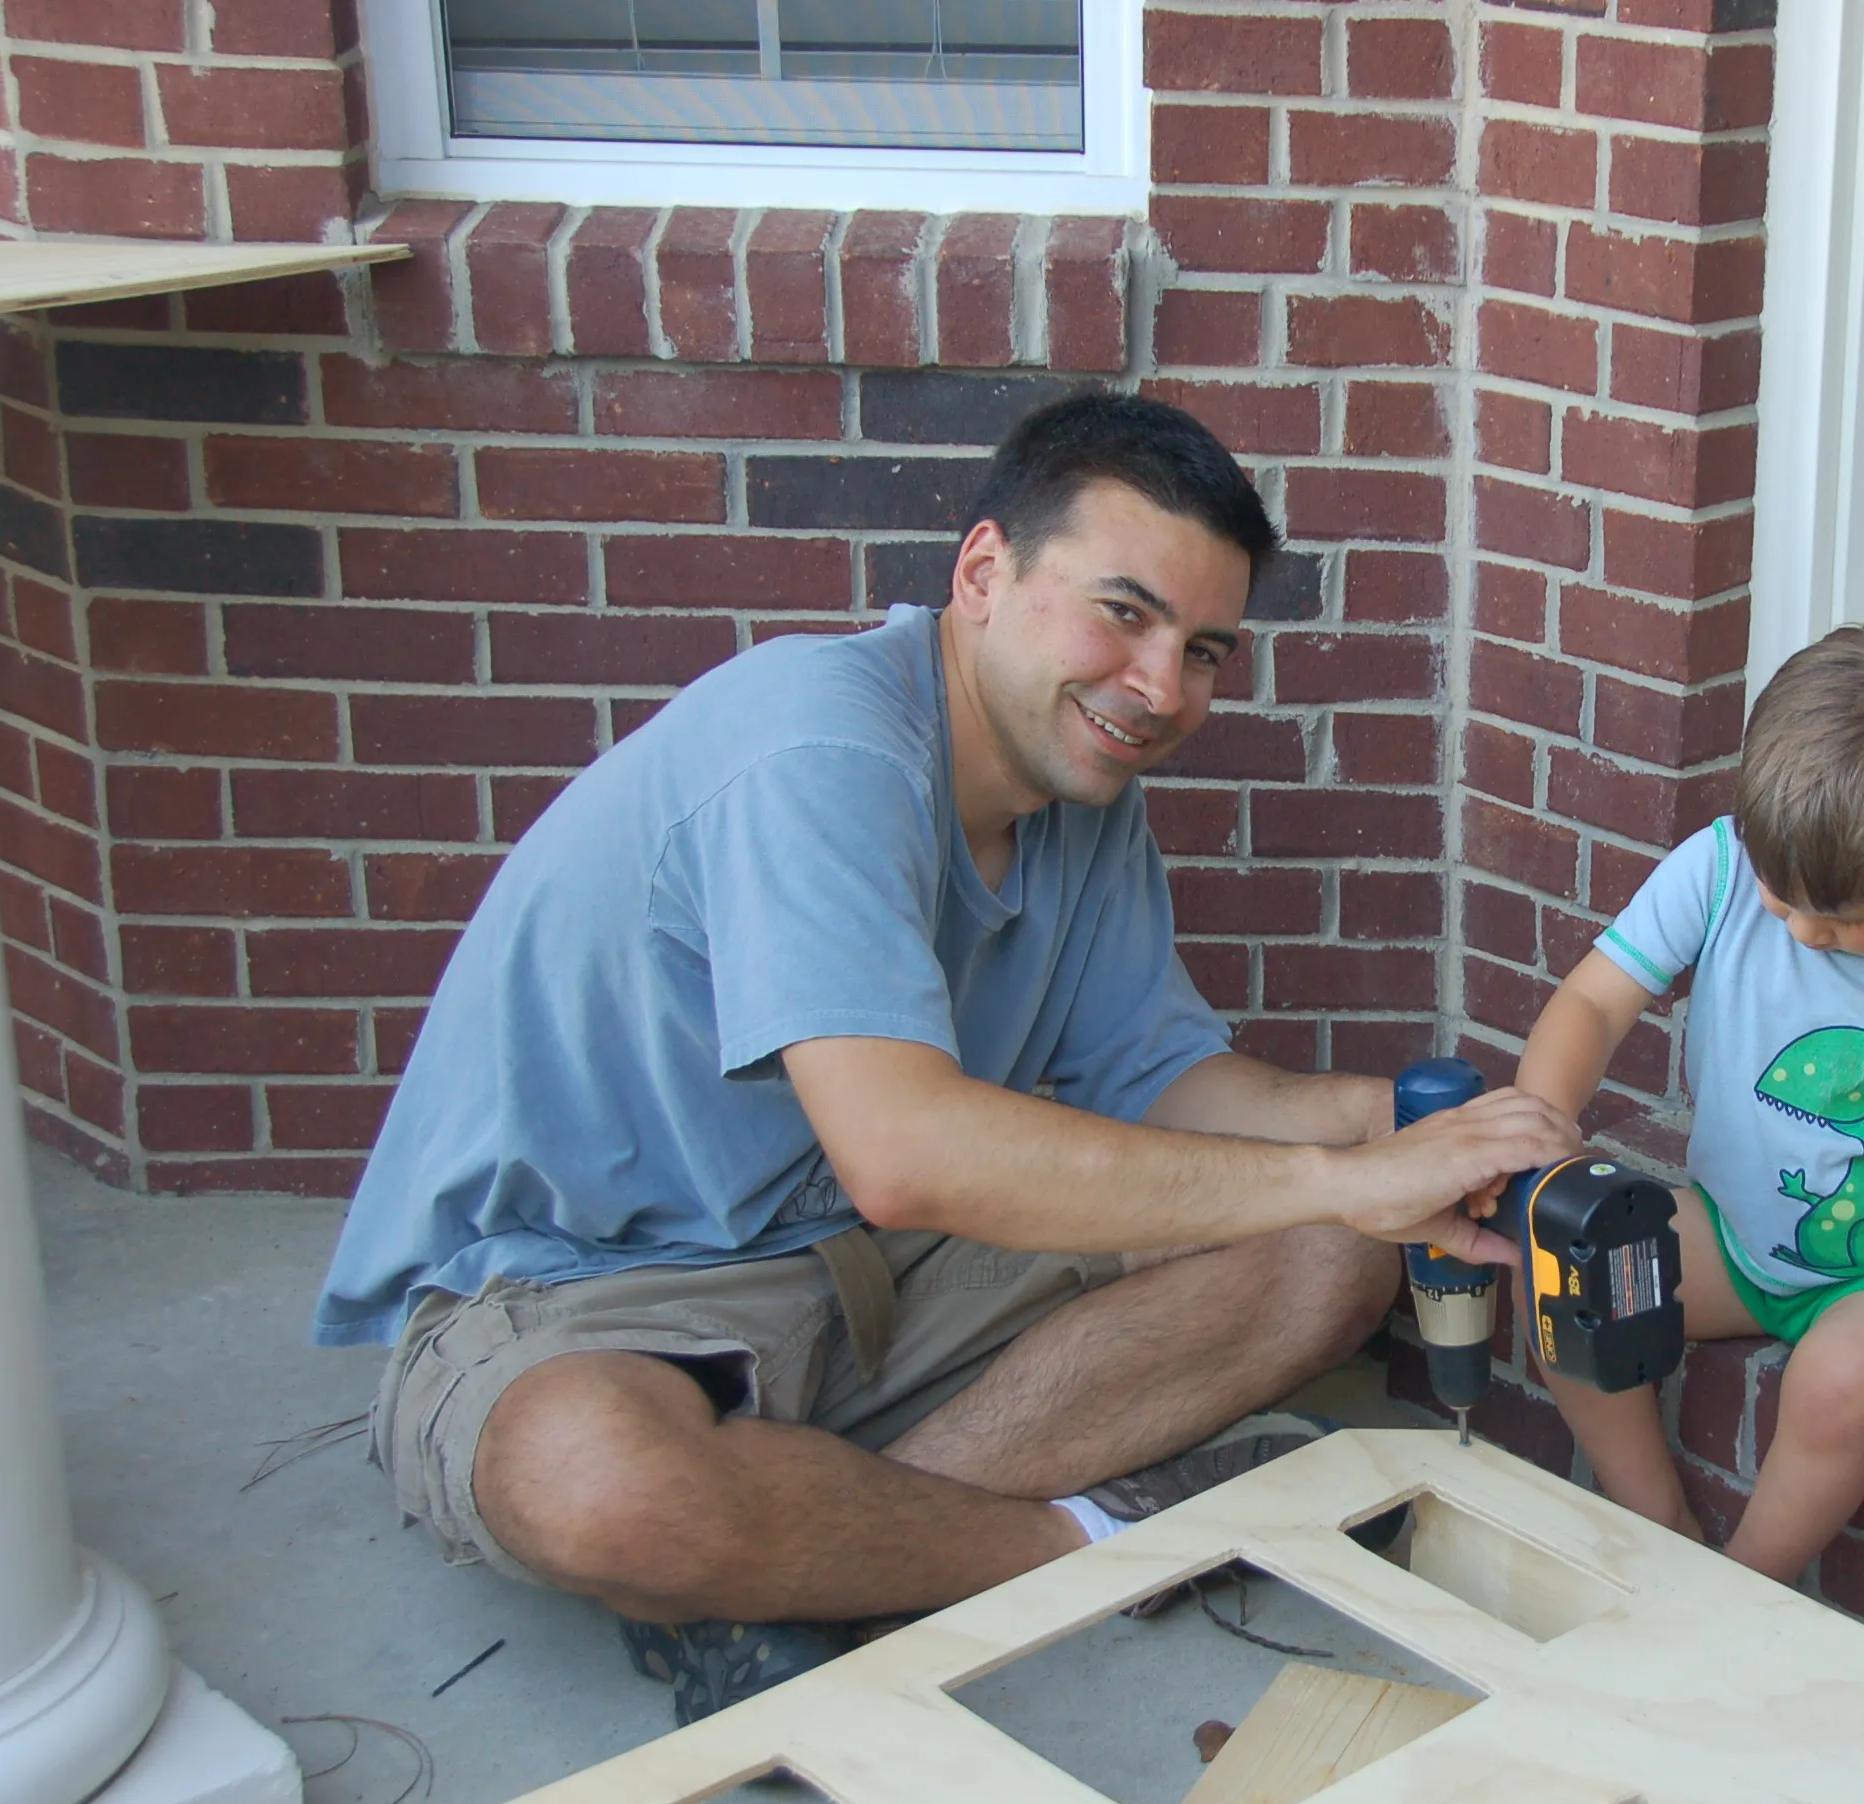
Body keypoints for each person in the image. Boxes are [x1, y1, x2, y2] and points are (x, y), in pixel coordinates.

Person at [315, 392, 1579, 1720]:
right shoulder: (822, 747)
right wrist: (1334, 1177)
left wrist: (1409, 1132)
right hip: (594, 1292)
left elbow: (1162, 1080)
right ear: (983, 574)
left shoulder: (1077, 796)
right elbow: (908, 1158)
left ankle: (808, 1566)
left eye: (1205, 649)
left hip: (868, 1277)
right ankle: (1080, 1541)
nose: (1160, 690)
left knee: (1342, 1249)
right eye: (1125, 614)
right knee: (600, 1487)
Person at [1507, 622, 1864, 1581]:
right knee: (1570, 1287)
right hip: (1738, 1238)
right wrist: (1543, 1123)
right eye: (1784, 901)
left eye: (1842, 918)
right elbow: (1593, 1000)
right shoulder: (1723, 865)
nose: (1802, 930)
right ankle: (1660, 1538)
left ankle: (1745, 1595)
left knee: (1836, 1383)